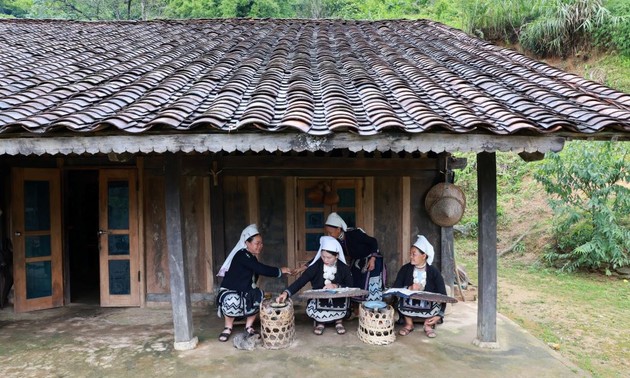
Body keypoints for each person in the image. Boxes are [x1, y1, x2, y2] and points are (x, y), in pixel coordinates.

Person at [216, 224, 292, 342]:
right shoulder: (242, 255)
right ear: (247, 243)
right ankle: (228, 327)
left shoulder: (251, 257)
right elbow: (260, 269)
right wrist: (280, 271)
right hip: (231, 290)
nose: (260, 246)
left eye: (261, 243)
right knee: (232, 300)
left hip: (245, 290)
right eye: (257, 243)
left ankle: (249, 326)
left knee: (258, 296)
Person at [277, 236, 353, 335]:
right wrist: (286, 293)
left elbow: (350, 286)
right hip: (319, 301)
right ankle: (320, 321)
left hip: (338, 301)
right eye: (323, 256)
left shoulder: (344, 268)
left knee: (341, 299)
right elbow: (301, 281)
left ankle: (338, 321)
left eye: (329, 257)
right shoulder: (316, 266)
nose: (325, 259)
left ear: (337, 256)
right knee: (317, 303)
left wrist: (336, 286)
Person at [393, 235, 447, 338]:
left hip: (429, 306)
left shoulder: (434, 272)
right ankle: (409, 324)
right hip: (408, 305)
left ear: (424, 256)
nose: (411, 257)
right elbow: (395, 288)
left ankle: (428, 325)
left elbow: (443, 294)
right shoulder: (405, 269)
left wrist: (439, 315)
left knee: (435, 299)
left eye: (414, 254)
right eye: (410, 254)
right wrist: (409, 288)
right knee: (401, 298)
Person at [324, 212, 385, 302]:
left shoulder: (355, 234)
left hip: (370, 258)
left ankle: (372, 307)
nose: (329, 235)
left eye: (331, 232)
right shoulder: (336, 241)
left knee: (371, 284)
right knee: (354, 283)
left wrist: (373, 259)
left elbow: (373, 241)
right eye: (328, 233)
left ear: (338, 229)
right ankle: (358, 308)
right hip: (357, 262)